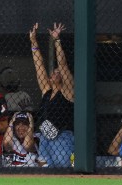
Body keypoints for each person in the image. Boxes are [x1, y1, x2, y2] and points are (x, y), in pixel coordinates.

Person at [29, 22, 75, 167]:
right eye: (53, 72)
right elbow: (39, 67)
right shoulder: (47, 91)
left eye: (58, 73)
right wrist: (34, 42)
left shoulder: (67, 91)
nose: (56, 73)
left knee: (63, 171)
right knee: (44, 171)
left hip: (62, 137)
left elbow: (62, 65)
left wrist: (56, 41)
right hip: (44, 136)